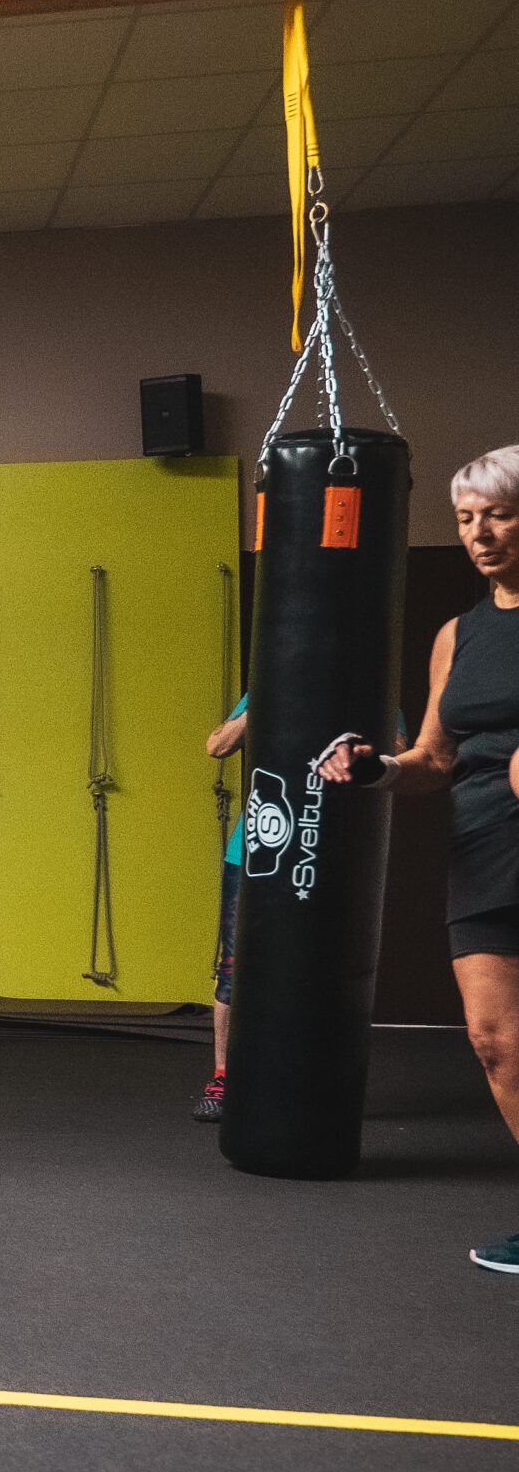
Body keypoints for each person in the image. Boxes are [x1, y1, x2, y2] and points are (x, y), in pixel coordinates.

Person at [315, 446, 519, 1274]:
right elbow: (434, 756)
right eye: (467, 519)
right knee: (495, 1039)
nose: (480, 534)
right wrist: (377, 767)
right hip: (484, 845)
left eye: (498, 513)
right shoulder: (458, 635)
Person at [195, 695, 248, 1121]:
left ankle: (315, 1076)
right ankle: (223, 1076)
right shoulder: (272, 682)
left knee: (323, 971)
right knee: (233, 966)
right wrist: (258, 705)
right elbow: (217, 746)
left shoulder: (368, 683)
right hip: (252, 850)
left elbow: (401, 751)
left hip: (330, 855)